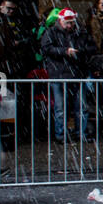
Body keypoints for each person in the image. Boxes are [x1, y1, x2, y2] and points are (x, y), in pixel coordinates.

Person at [40, 8, 97, 142]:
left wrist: (79, 51)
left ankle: (79, 133)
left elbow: (92, 48)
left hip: (76, 73)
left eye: (71, 22)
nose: (70, 25)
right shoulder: (51, 32)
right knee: (61, 108)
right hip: (60, 74)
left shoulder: (81, 32)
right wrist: (65, 51)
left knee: (80, 108)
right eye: (67, 23)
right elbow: (46, 49)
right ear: (60, 21)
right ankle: (61, 135)